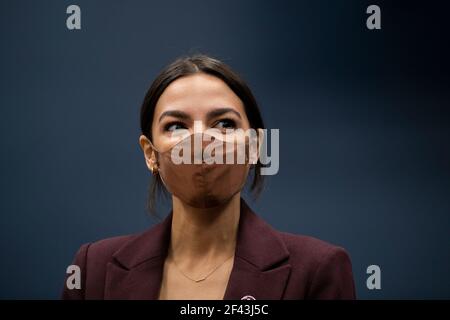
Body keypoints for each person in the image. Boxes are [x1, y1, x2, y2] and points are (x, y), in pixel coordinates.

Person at [62, 54, 356, 300]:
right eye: (176, 126)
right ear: (150, 154)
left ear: (255, 146)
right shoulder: (93, 272)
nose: (201, 140)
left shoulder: (316, 270)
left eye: (225, 123)